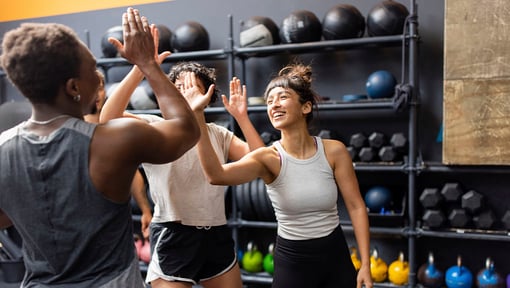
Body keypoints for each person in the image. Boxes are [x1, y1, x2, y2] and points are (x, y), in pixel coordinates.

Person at [0, 7, 200, 287]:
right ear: (73, 87)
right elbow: (186, 131)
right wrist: (148, 65)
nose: (98, 76)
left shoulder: (3, 150)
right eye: (92, 68)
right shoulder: (114, 140)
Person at [189, 63, 373, 288]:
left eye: (282, 97)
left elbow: (356, 206)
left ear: (305, 107)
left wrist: (365, 264)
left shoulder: (334, 151)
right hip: (293, 262)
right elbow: (216, 175)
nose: (274, 104)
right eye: (269, 101)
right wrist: (197, 115)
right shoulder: (269, 158)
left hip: (336, 257)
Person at [99, 61, 265, 288]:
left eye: (192, 86)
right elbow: (107, 119)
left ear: (207, 94)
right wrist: (142, 66)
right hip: (174, 233)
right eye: (178, 86)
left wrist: (242, 117)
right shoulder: (154, 127)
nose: (185, 91)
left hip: (216, 233)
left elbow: (261, 160)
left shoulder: (218, 134)